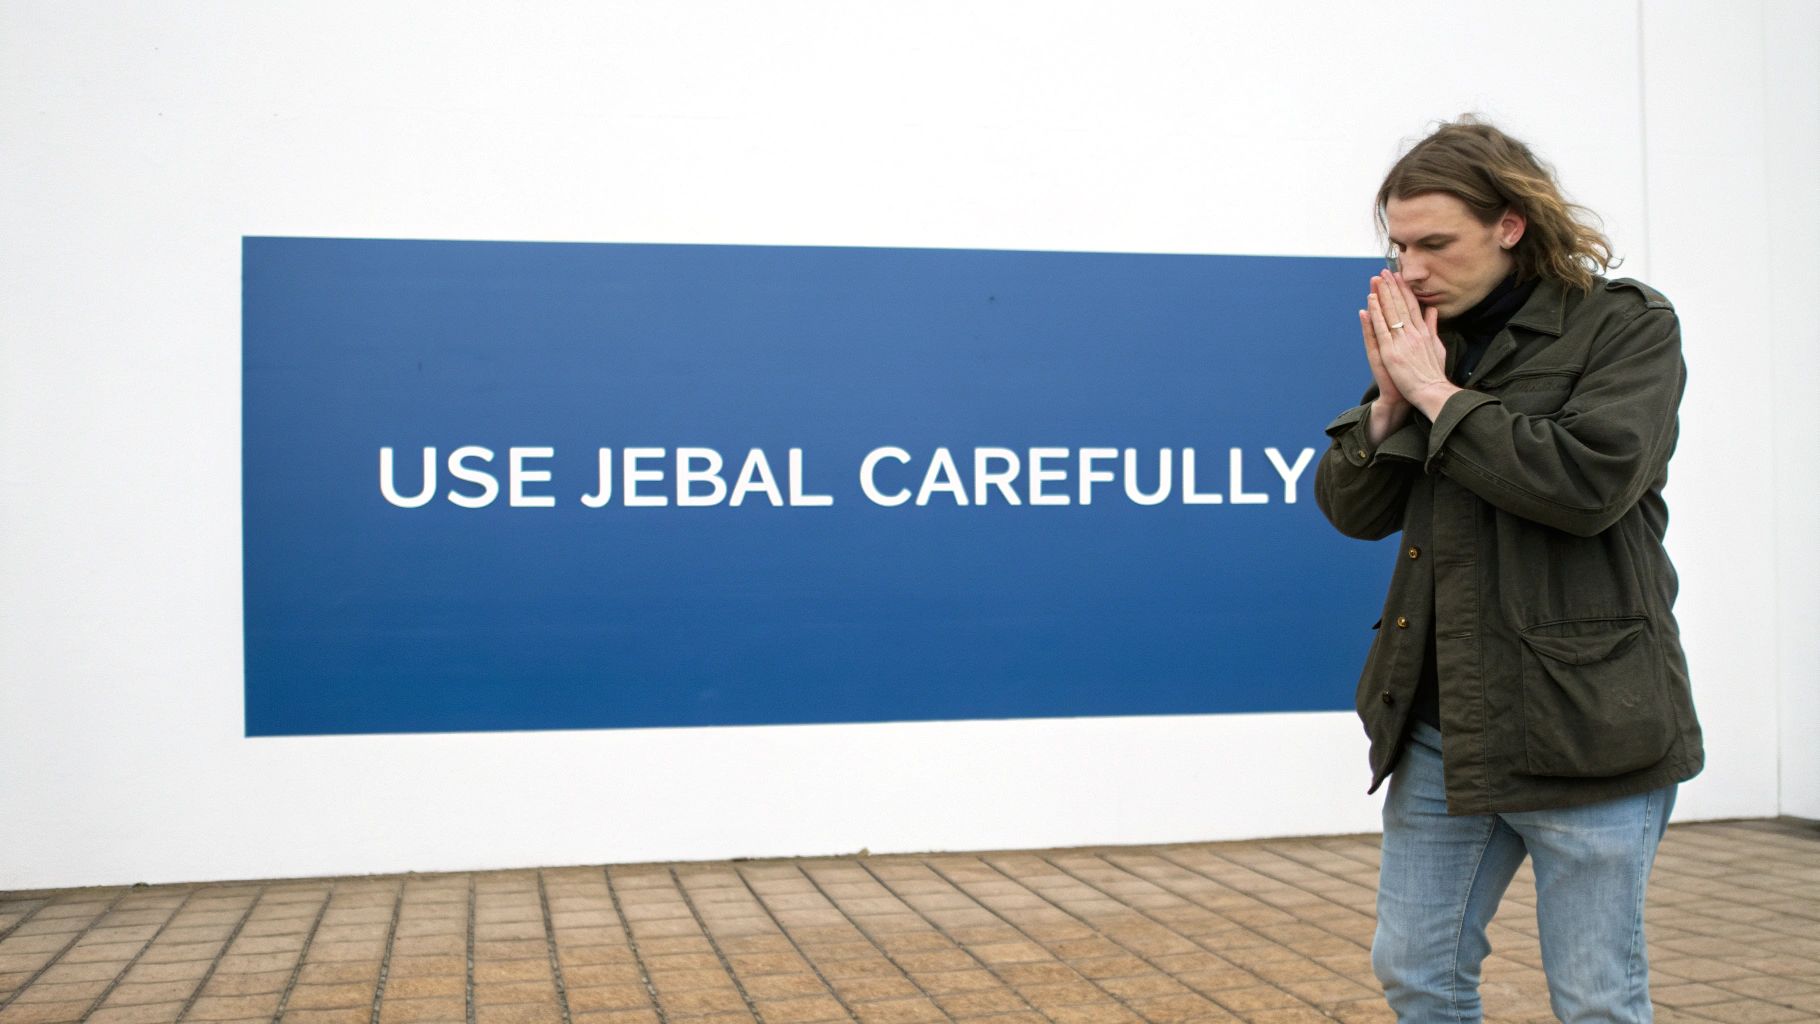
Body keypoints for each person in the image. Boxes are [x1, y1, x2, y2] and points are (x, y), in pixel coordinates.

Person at [1314, 116, 1704, 1023]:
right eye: (1398, 245)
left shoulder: (1625, 326)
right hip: (1444, 727)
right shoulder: (1425, 341)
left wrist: (1439, 395)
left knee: (1597, 998)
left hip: (1589, 727)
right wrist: (1382, 411)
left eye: (1434, 243)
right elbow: (1353, 513)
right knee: (1417, 973)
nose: (1409, 269)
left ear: (1511, 225)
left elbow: (1588, 484)